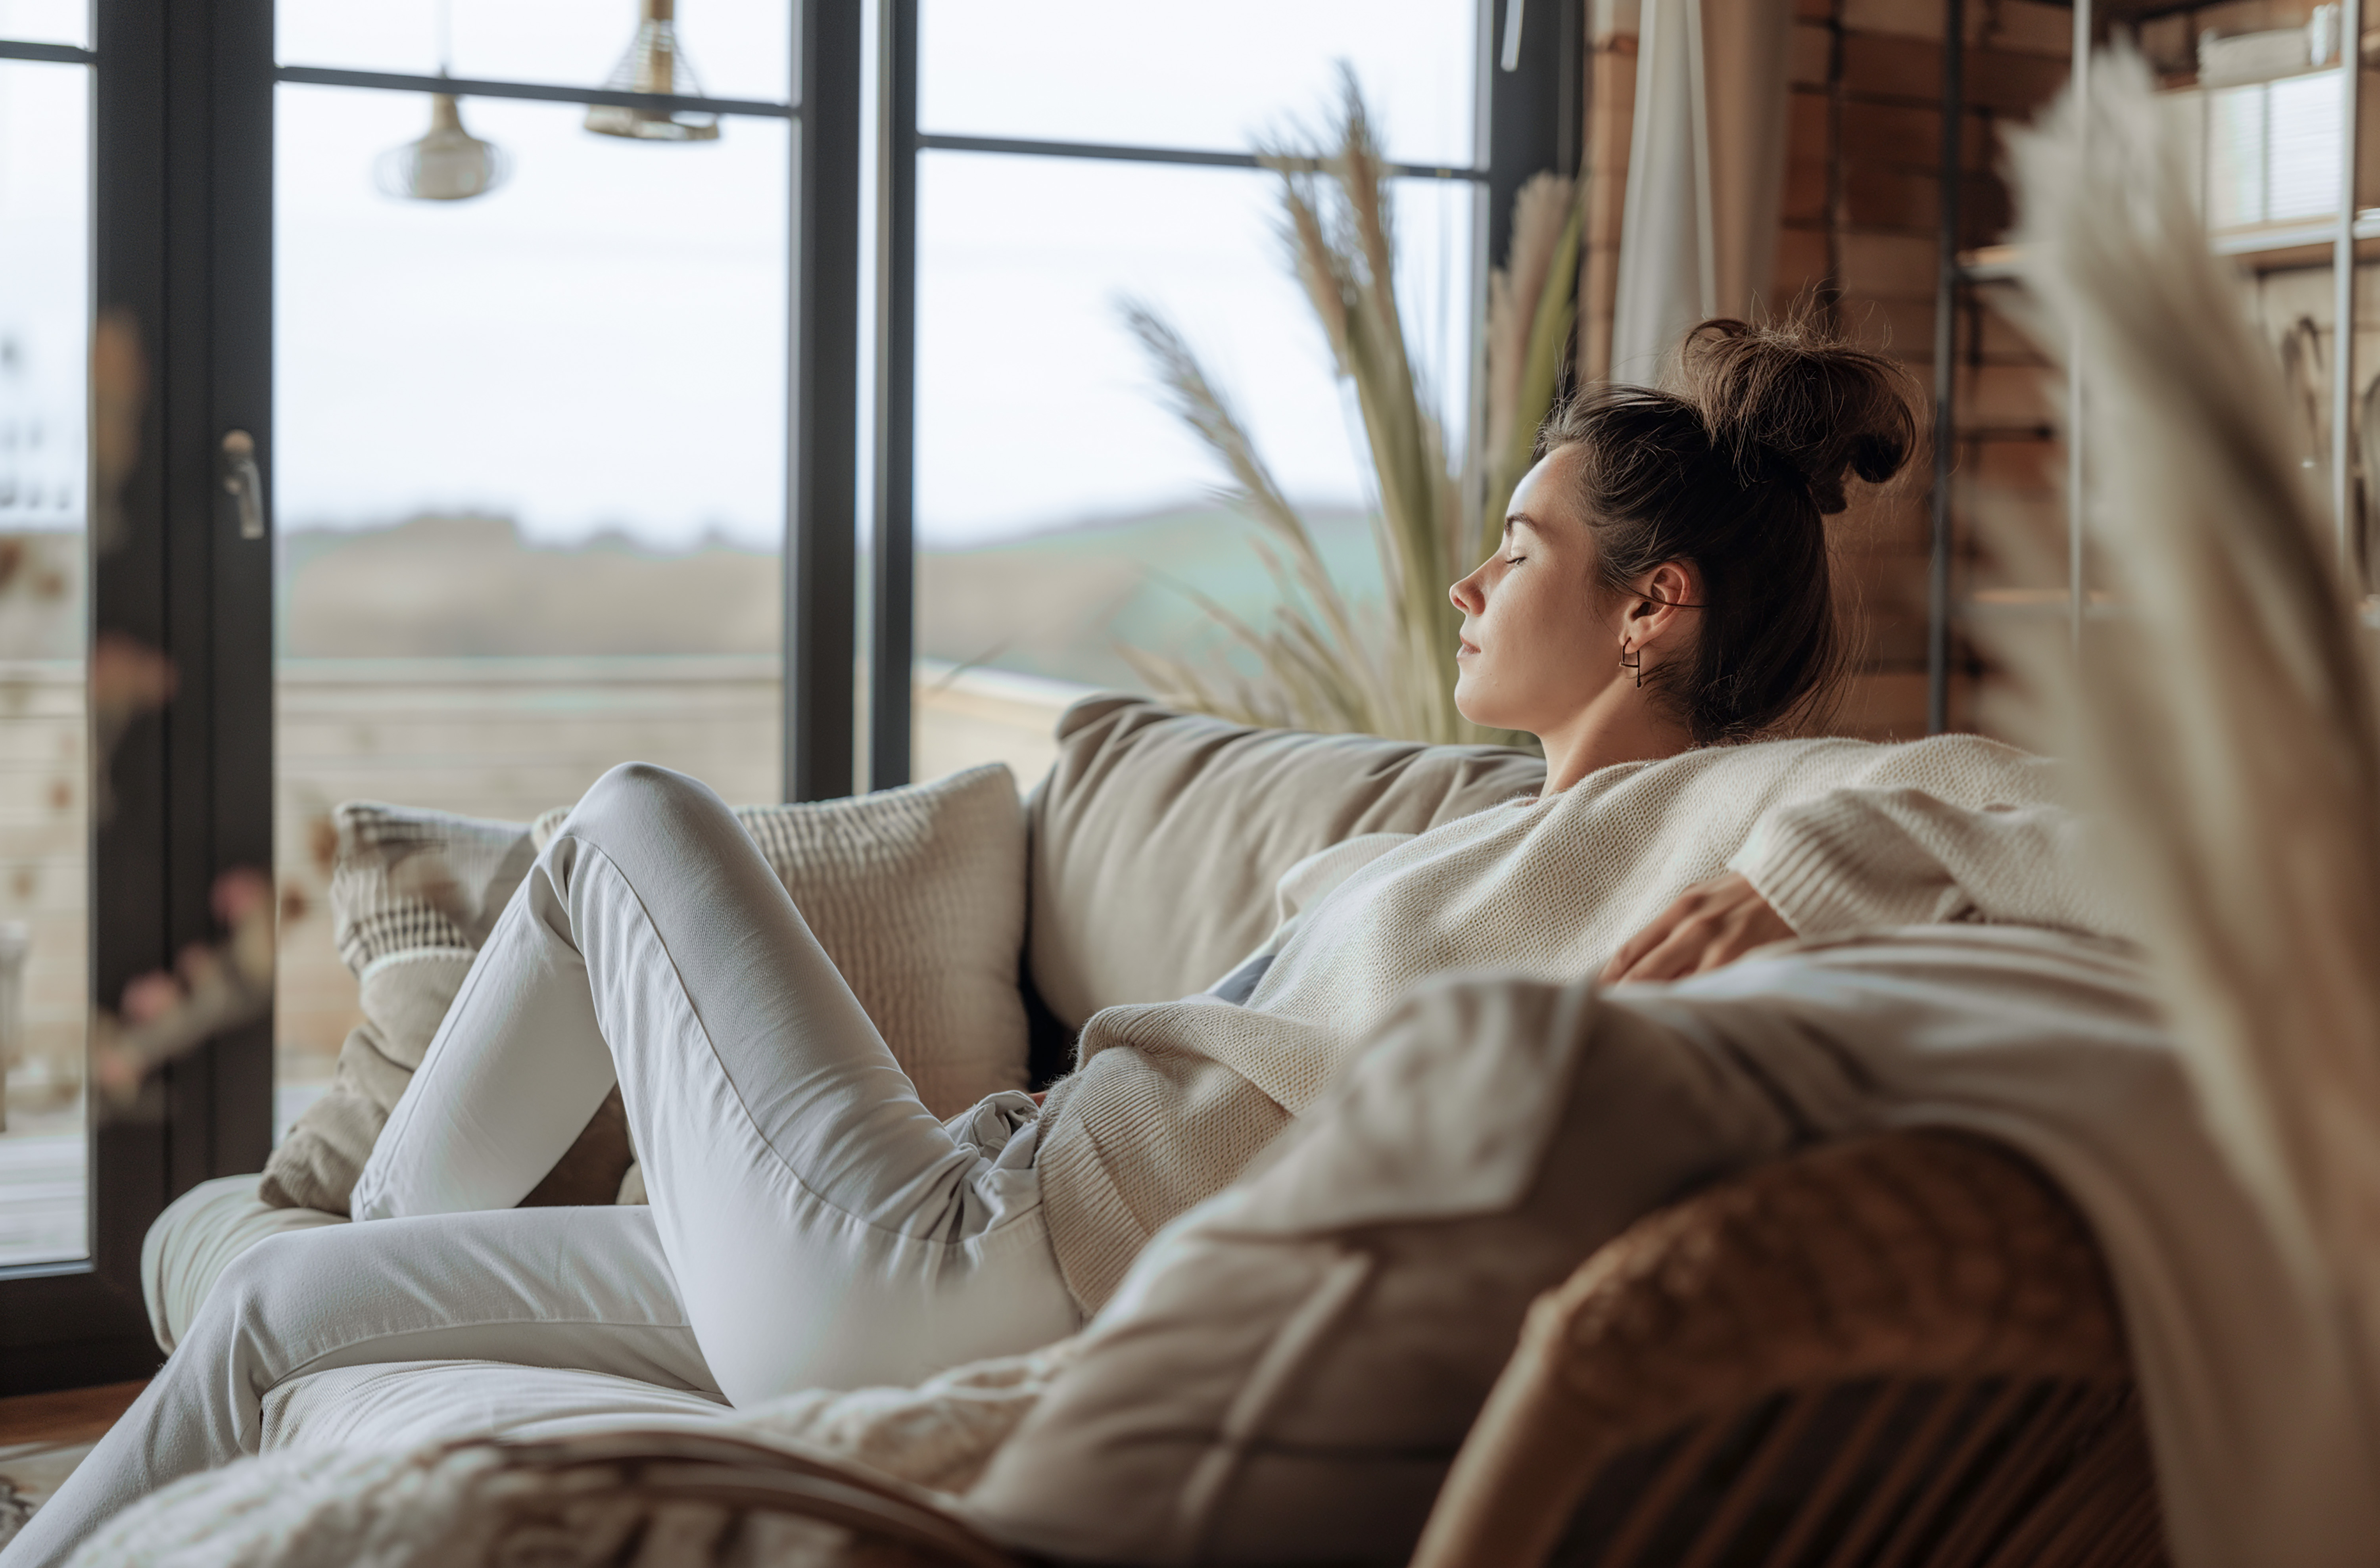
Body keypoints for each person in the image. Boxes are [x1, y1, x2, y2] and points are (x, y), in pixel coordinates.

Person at [2, 315, 2122, 1567]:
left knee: (636, 822)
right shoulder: (1497, 818)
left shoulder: (1735, 802)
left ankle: (366, 1219)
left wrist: (1814, 888)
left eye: (1520, 550)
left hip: (976, 1279)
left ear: (1654, 611)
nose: (1477, 590)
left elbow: (2097, 824)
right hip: (955, 1211)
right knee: (286, 1308)